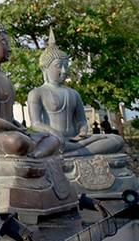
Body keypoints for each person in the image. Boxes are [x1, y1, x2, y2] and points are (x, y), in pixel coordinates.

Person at [0, 0, 59, 159]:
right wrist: (16, 130)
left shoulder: (4, 77)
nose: (9, 48)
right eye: (3, 43)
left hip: (11, 132)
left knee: (52, 139)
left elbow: (8, 116)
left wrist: (20, 127)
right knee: (18, 142)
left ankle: (34, 157)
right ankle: (30, 151)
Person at [27, 29, 124, 157]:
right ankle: (77, 152)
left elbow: (82, 121)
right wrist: (54, 132)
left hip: (76, 140)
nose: (64, 70)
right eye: (59, 66)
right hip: (53, 141)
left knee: (116, 140)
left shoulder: (73, 93)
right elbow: (36, 123)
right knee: (47, 144)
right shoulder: (37, 93)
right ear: (45, 68)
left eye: (66, 66)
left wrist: (82, 132)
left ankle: (74, 153)